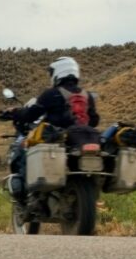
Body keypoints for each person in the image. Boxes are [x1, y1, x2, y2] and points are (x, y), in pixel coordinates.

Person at [6, 56, 99, 202]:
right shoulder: (87, 96)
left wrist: (14, 113)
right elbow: (94, 120)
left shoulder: (51, 94)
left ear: (58, 72)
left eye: (52, 72)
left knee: (23, 150)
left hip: (58, 140)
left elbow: (30, 114)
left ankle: (26, 194)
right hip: (83, 140)